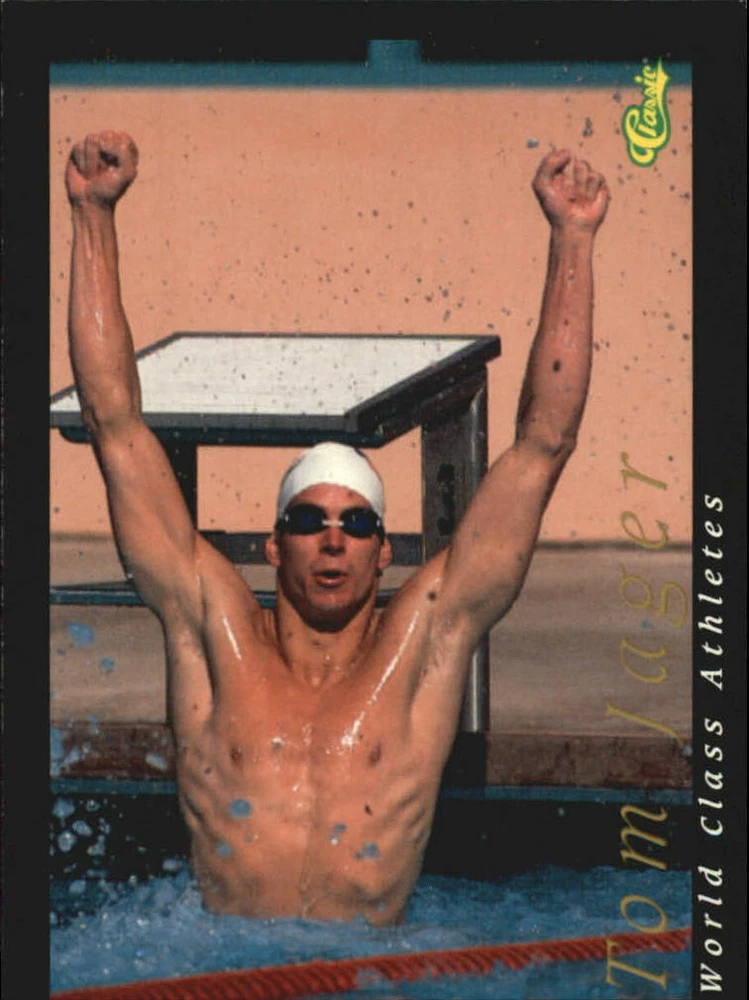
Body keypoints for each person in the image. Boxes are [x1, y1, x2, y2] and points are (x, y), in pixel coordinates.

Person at [65, 130, 609, 925]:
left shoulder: (424, 640)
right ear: (272, 543)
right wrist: (92, 216)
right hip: (223, 970)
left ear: (383, 550)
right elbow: (114, 425)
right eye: (308, 521)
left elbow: (542, 445)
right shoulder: (211, 628)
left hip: (368, 974)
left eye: (355, 524)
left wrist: (572, 239)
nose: (332, 539)